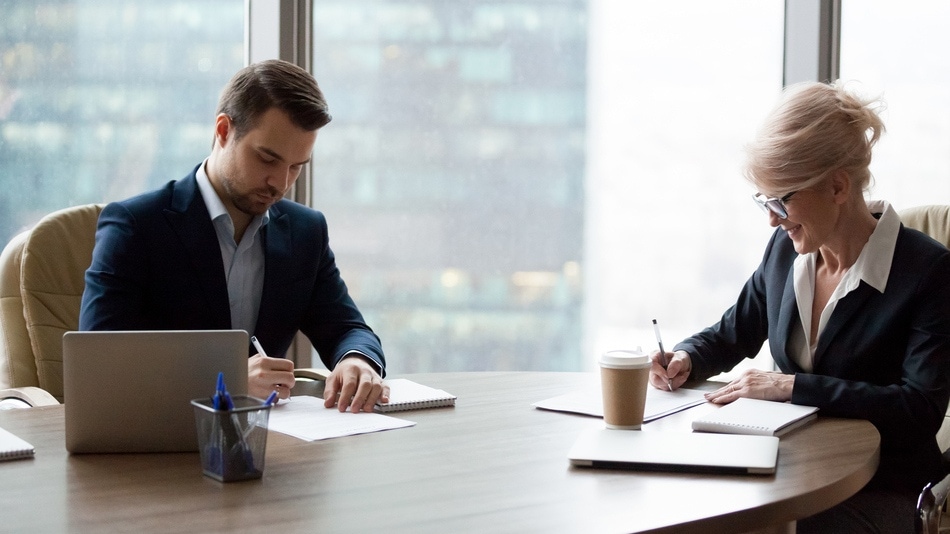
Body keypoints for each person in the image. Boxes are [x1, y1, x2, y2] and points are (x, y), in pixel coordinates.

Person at [650, 81, 950, 533]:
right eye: (763, 199)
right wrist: (686, 357)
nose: (771, 217)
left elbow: (918, 410)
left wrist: (791, 386)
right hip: (787, 471)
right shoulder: (785, 251)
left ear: (836, 186)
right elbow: (735, 331)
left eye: (781, 199)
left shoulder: (928, 272)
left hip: (879, 487)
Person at [79, 59, 388, 413]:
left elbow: (348, 327)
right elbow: (98, 364)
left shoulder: (305, 232)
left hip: (268, 448)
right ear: (224, 131)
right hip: (158, 442)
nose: (281, 183)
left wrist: (357, 362)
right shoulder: (136, 226)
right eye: (267, 159)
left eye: (296, 167)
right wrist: (227, 378)